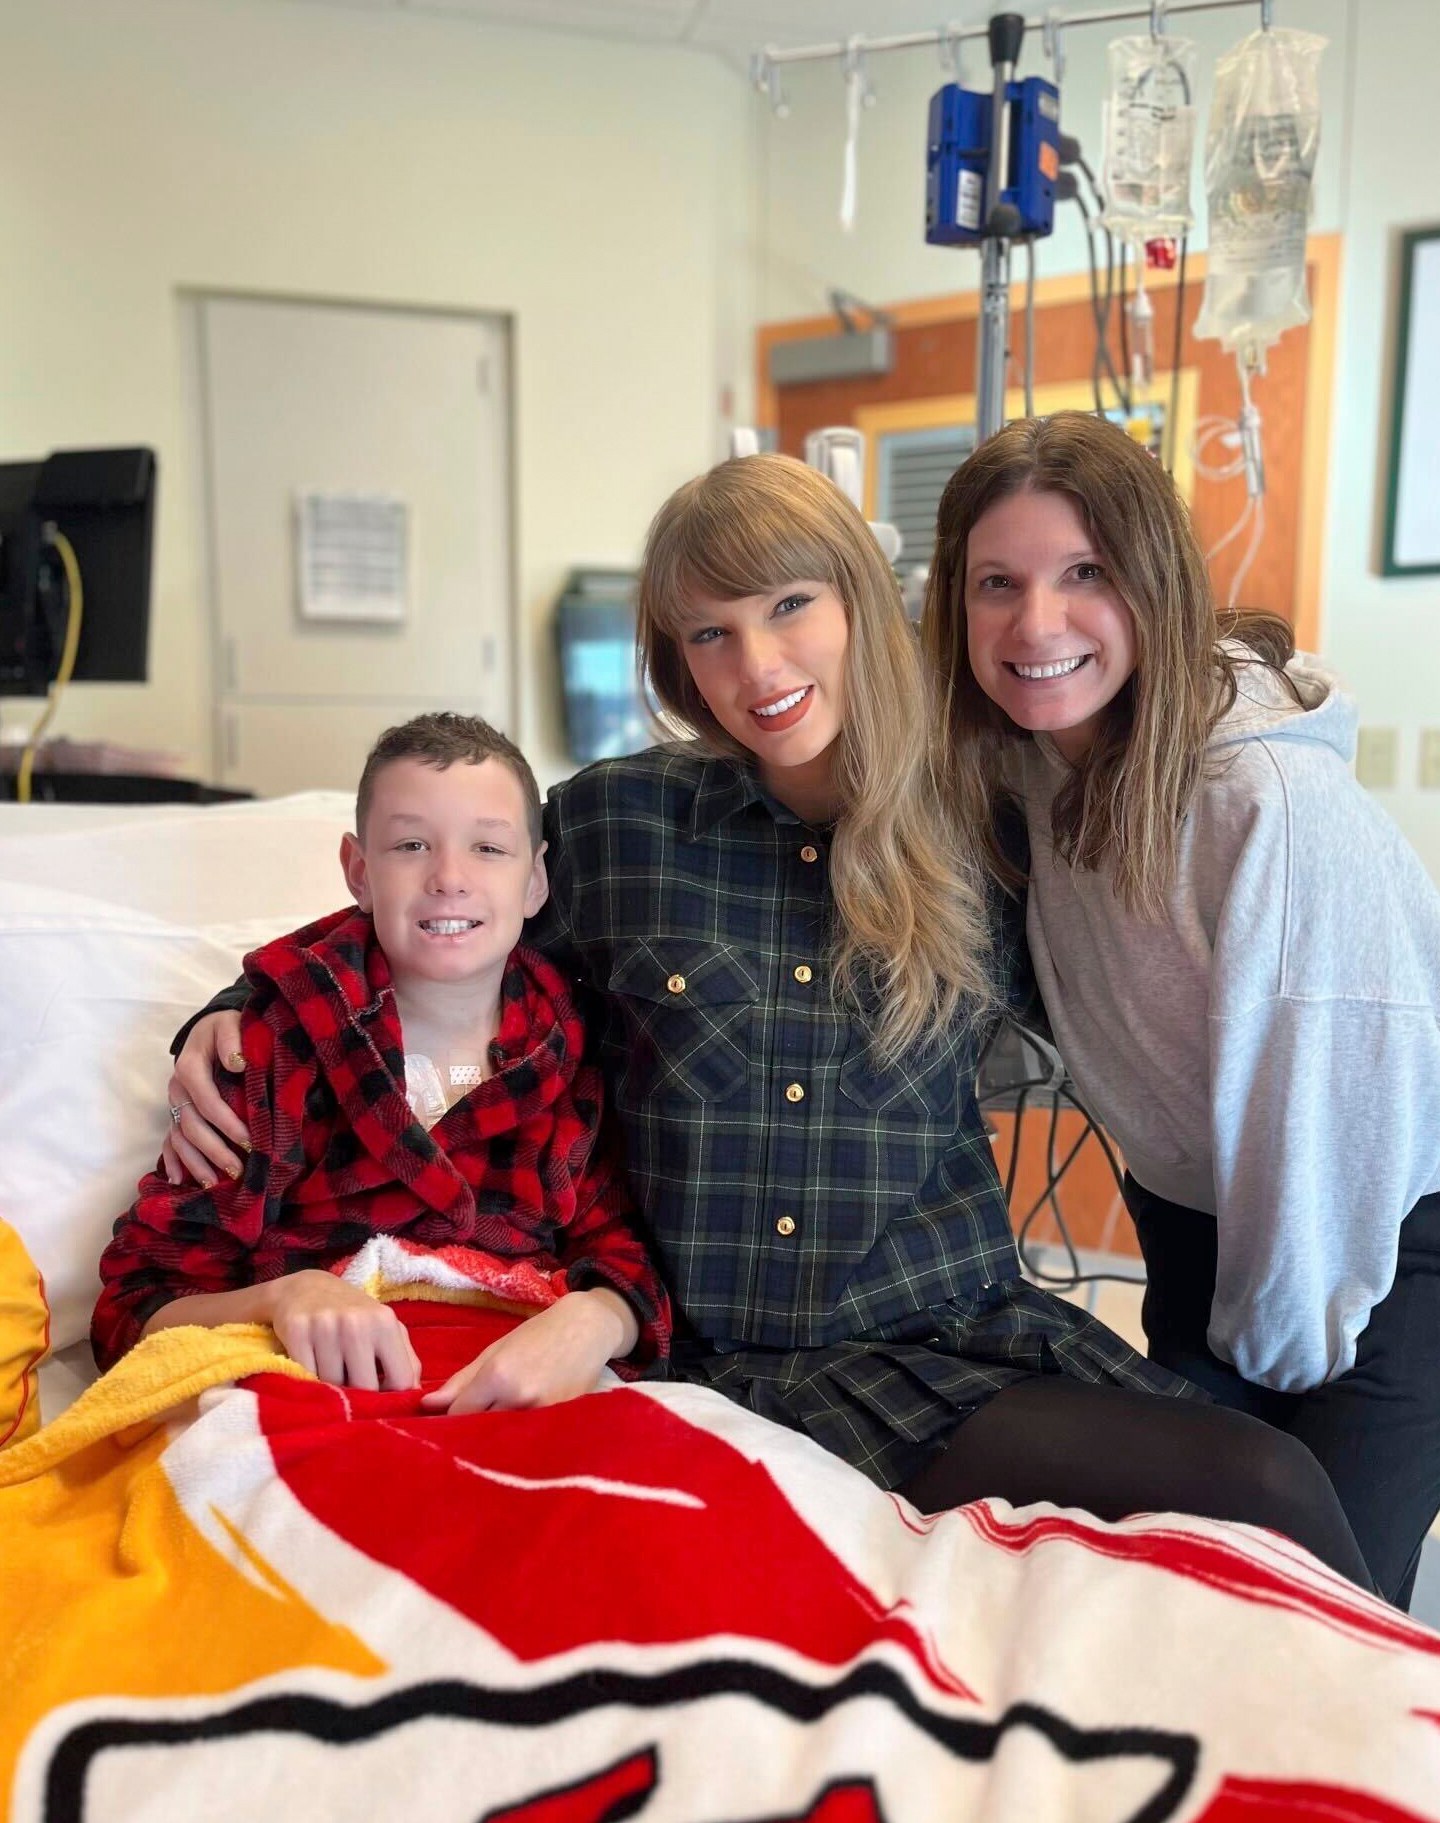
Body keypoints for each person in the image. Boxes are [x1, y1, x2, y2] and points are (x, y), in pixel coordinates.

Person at [162, 454, 1373, 1586]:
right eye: (710, 632)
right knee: (1250, 1493)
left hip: (957, 1328)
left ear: (860, 601)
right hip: (731, 1354)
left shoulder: (989, 826)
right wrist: (237, 1001)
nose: (757, 664)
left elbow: (1155, 769)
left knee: (1268, 1486)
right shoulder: (621, 831)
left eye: (791, 605)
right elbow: (438, 914)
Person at [923, 410, 1440, 1607]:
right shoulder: (1030, 760)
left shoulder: (1267, 801)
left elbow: (1328, 1123)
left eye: (1084, 574)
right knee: (1171, 1586)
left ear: (1153, 582)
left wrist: (1266, 1363)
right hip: (1207, 1228)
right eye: (997, 582)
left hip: (1371, 1242)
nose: (1034, 623)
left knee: (1313, 1605)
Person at [93, 712, 671, 1414]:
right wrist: (285, 1295)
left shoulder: (576, 1050)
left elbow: (626, 1260)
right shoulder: (271, 1048)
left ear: (535, 882)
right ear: (359, 873)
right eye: (410, 844)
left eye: (488, 847)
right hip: (318, 1400)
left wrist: (596, 1317)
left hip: (512, 1394)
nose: (449, 877)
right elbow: (135, 1306)